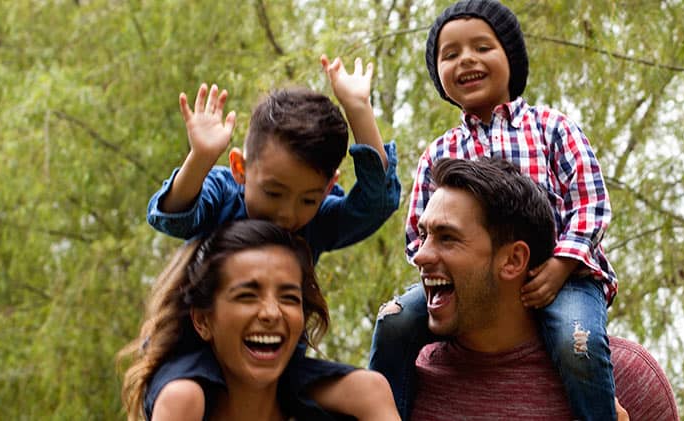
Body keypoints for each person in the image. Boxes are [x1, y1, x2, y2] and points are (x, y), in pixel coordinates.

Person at [370, 1, 620, 419]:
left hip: (564, 275)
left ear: (511, 58)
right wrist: (444, 269)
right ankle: (383, 411)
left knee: (579, 345)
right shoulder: (441, 152)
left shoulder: (552, 128)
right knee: (393, 322)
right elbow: (417, 234)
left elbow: (590, 204)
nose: (465, 59)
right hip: (471, 279)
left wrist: (560, 263)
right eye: (449, 55)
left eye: (482, 47)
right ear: (439, 77)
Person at [141, 55, 401, 419]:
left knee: (370, 389)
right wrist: (200, 158)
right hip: (194, 352)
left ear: (329, 188)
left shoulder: (316, 223)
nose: (286, 213)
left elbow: (375, 203)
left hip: (276, 357)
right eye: (273, 192)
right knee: (183, 397)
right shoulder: (224, 191)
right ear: (240, 168)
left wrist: (358, 109)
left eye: (307, 199)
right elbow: (173, 218)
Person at [406, 157, 677, 420]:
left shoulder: (628, 381)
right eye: (422, 235)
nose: (420, 255)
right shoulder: (403, 385)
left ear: (513, 260)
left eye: (447, 238)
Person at [118, 220, 397, 420]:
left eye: (289, 298)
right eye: (247, 296)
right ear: (203, 321)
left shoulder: (359, 398)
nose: (271, 313)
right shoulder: (181, 399)